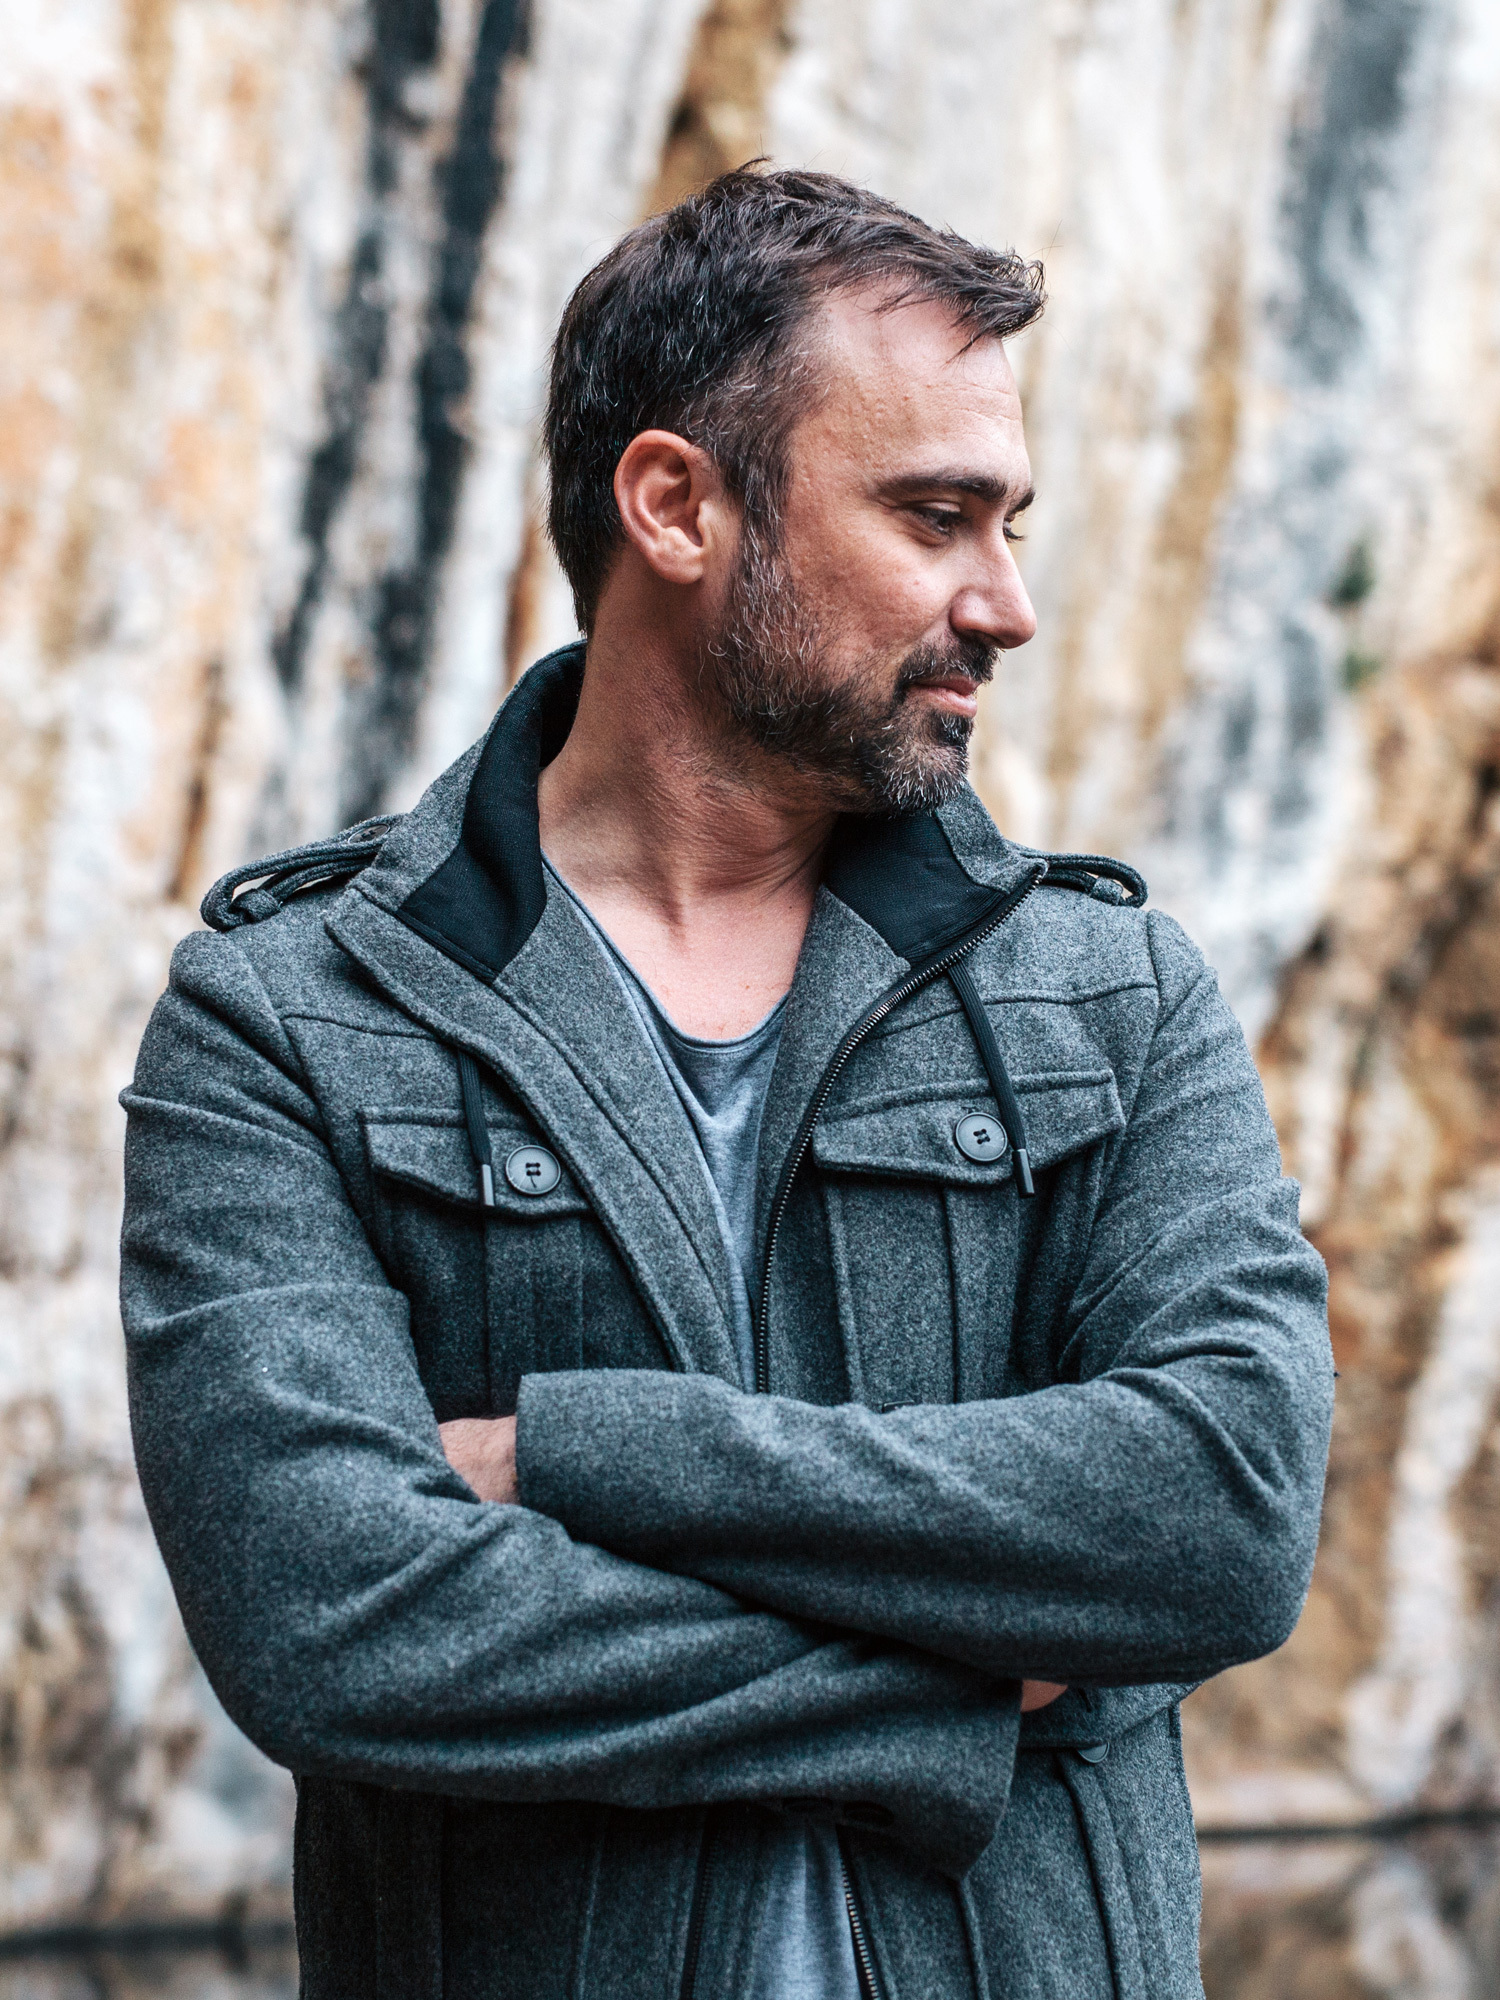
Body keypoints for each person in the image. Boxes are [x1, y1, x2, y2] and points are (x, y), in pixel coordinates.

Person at [121, 168, 1332, 2000]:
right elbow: (331, 1617)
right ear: (678, 505)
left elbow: (1223, 1514)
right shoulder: (290, 1017)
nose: (1004, 603)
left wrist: (576, 1455)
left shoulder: (1111, 996)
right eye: (935, 517)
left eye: (1010, 525)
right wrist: (952, 1701)